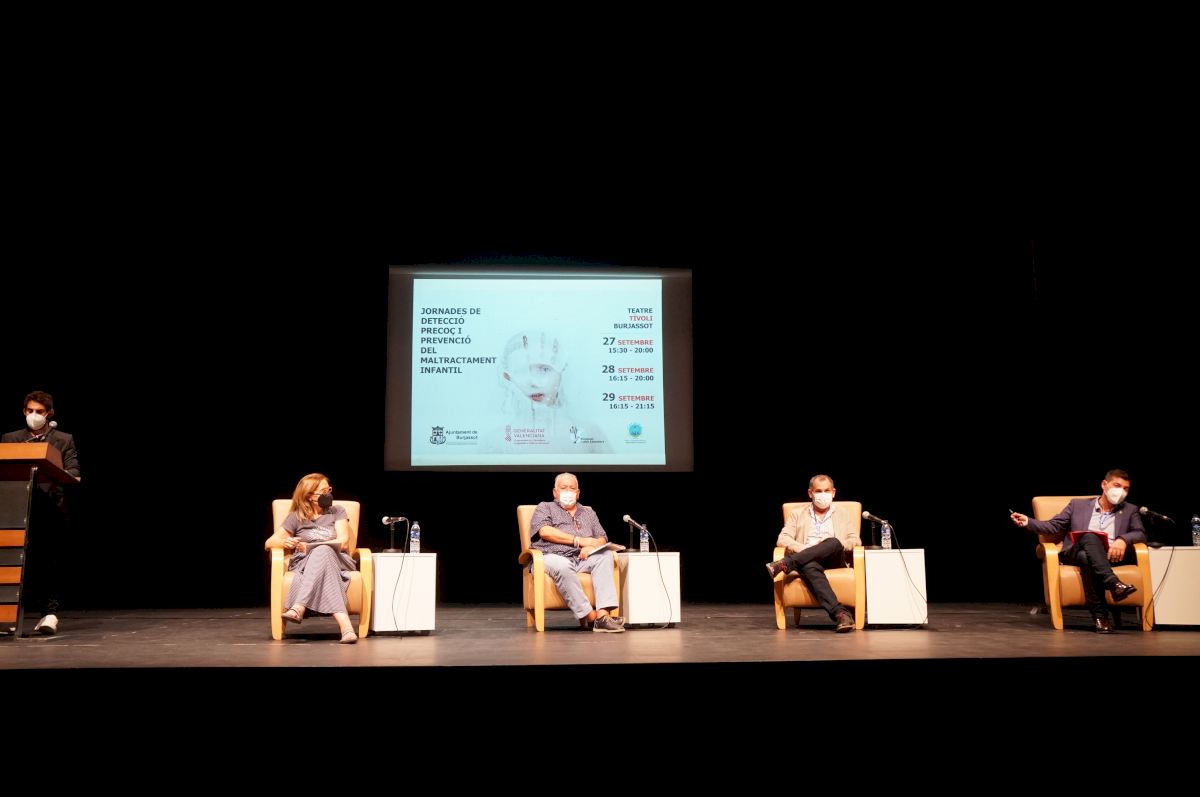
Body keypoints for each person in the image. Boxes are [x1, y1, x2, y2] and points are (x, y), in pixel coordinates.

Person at [1010, 469, 1142, 633]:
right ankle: (1113, 583)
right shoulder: (1078, 505)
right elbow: (1054, 526)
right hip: (1073, 552)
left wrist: (1123, 540)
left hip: (1107, 557)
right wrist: (1028, 522)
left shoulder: (1130, 510)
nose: (1121, 491)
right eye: (1117, 485)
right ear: (1104, 485)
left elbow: (1140, 533)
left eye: (1125, 488)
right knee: (1089, 536)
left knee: (1085, 558)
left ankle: (1101, 618)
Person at [2, 390, 81, 635]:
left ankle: (49, 614)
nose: (33, 415)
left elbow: (74, 472)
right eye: (30, 411)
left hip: (50, 509)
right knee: (11, 561)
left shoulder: (63, 439)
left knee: (48, 563)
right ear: (23, 411)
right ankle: (6, 616)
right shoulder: (11, 438)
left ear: (50, 414)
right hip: (16, 509)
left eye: (39, 411)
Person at [264, 473, 359, 643]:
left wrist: (311, 547)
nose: (328, 494)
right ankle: (346, 628)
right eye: (323, 491)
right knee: (324, 561)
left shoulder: (337, 511)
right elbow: (269, 543)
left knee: (323, 550)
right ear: (309, 495)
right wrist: (285, 542)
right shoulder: (296, 517)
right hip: (305, 563)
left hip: (338, 560)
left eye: (329, 490)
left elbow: (343, 542)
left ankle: (299, 606)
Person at [528, 472, 625, 632]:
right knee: (563, 565)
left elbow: (602, 537)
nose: (568, 491)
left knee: (605, 555)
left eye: (572, 488)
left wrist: (592, 547)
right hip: (550, 557)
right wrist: (578, 541)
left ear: (578, 493)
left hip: (581, 558)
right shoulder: (545, 507)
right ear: (555, 492)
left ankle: (602, 616)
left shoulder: (588, 512)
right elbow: (545, 531)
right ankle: (590, 616)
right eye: (563, 488)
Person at [490, 330, 612, 453]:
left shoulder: (590, 434)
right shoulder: (496, 441)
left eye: (544, 369)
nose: (534, 382)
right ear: (507, 377)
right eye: (522, 370)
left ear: (562, 373)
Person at [765, 474, 858, 633]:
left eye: (827, 490)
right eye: (818, 491)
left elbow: (855, 540)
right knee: (809, 565)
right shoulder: (797, 514)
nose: (823, 494)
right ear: (810, 493)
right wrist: (807, 551)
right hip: (807, 559)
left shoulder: (843, 513)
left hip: (834, 559)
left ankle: (786, 563)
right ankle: (841, 614)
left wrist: (832, 546)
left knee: (833, 542)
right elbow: (783, 539)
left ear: (833, 492)